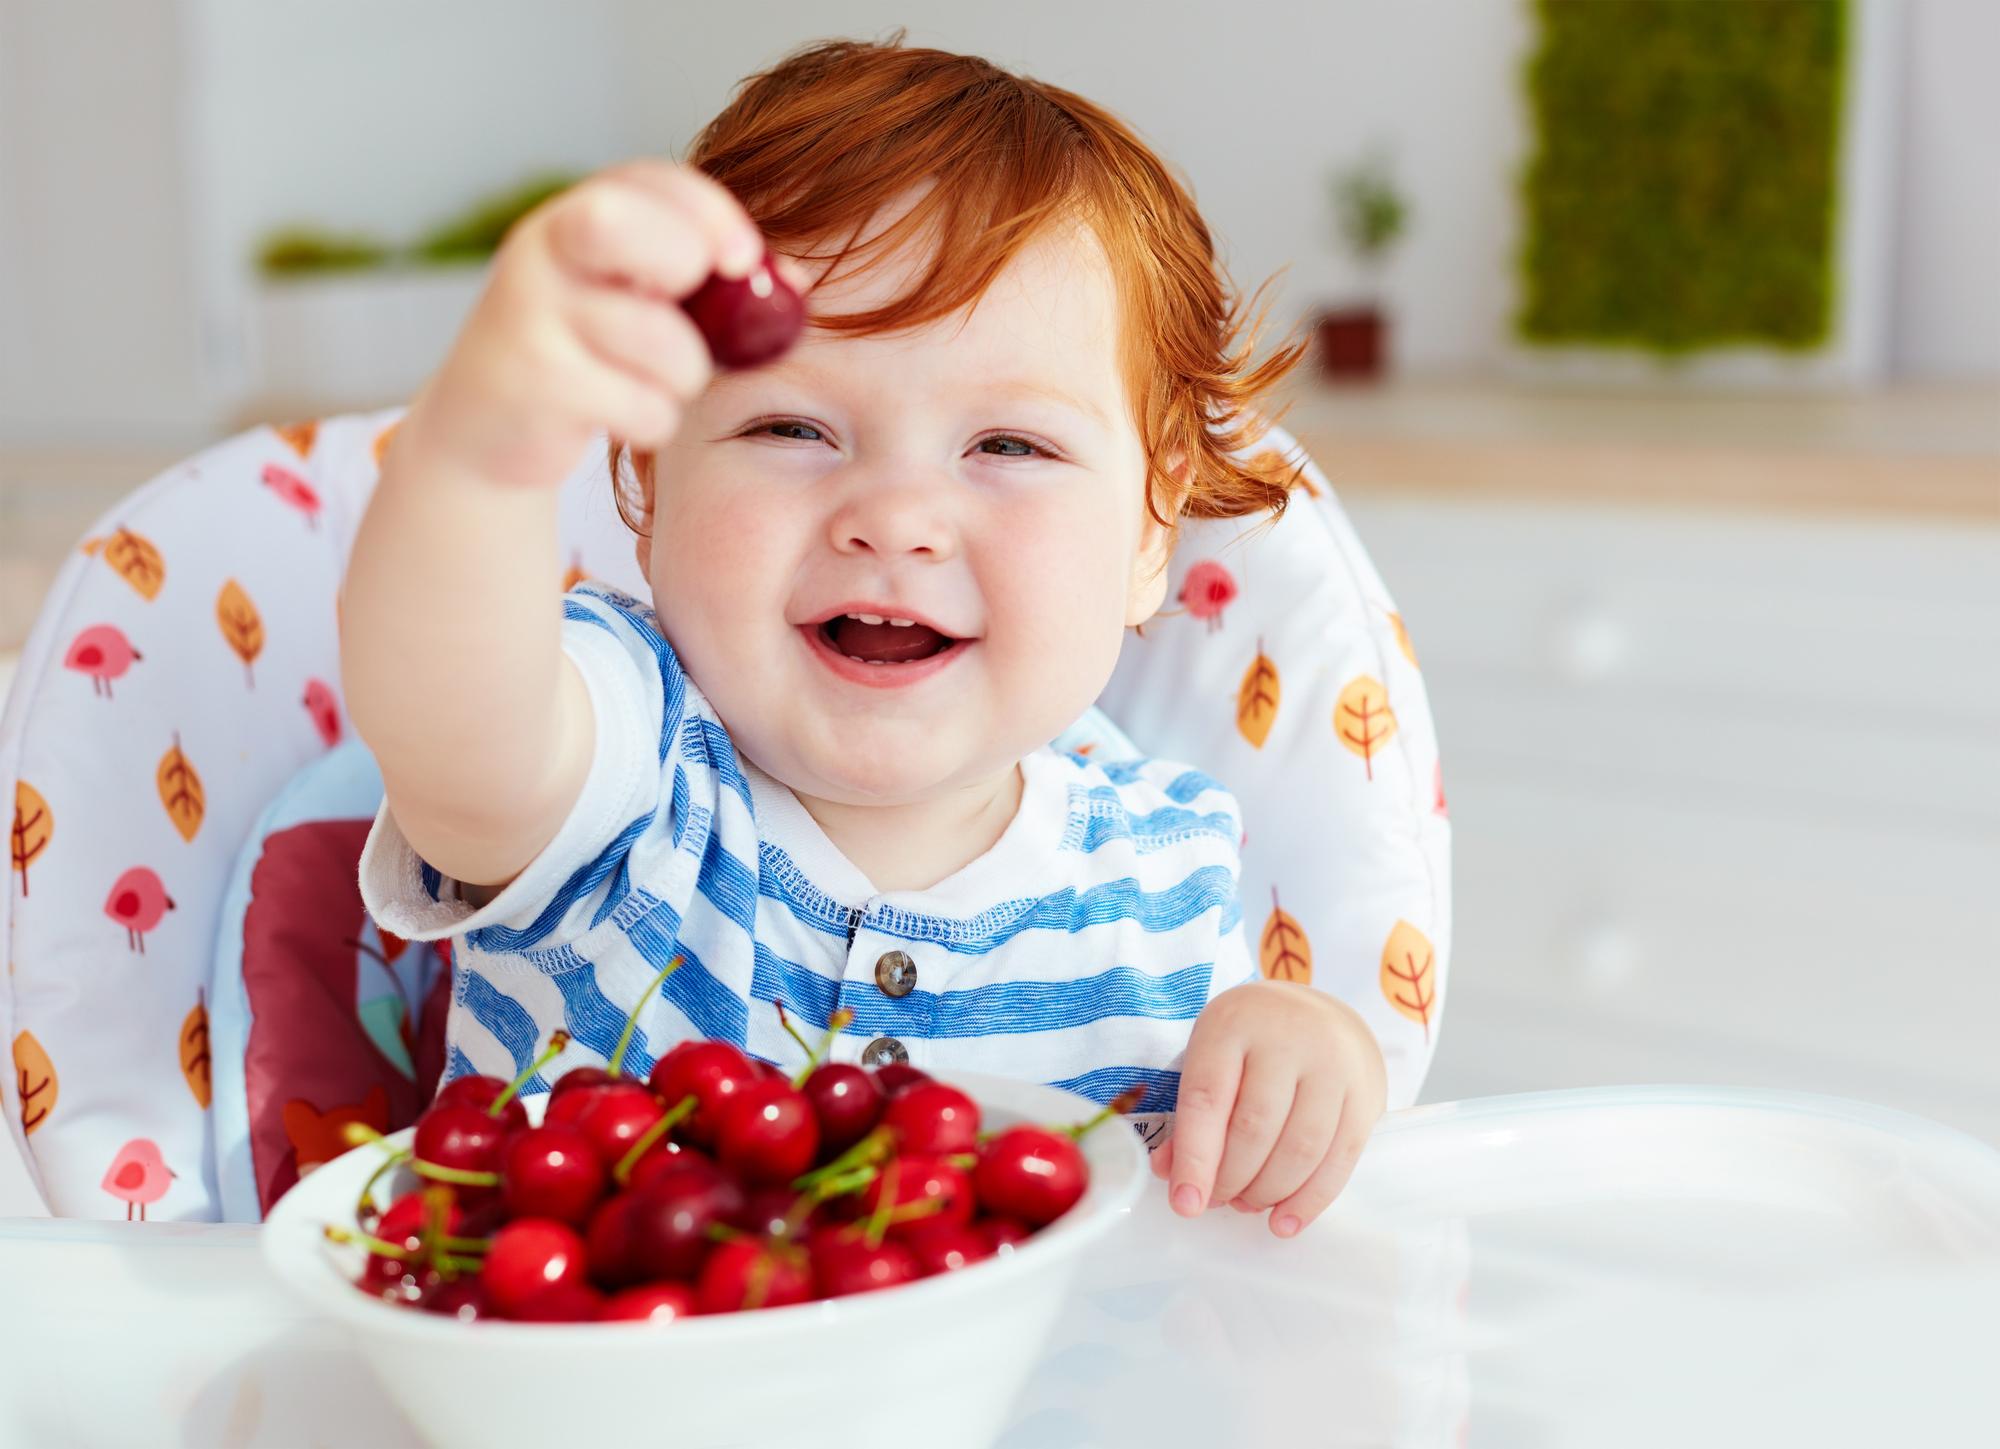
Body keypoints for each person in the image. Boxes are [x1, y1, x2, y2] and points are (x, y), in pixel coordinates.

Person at [348, 36, 1386, 1239]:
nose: (893, 517)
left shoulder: (1164, 881)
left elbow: (1206, 1275)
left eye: (1008, 446)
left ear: (1152, 532)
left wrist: (1304, 1060)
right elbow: (457, 736)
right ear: (646, 478)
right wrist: (482, 457)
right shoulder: (625, 772)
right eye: (791, 426)